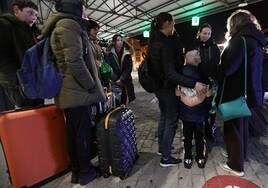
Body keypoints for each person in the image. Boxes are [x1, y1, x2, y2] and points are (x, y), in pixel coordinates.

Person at [189, 9, 266, 177]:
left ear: (235, 24)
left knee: (233, 129)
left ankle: (235, 165)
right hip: (250, 92)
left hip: (236, 93)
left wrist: (202, 64)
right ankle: (239, 155)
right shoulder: (256, 41)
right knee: (242, 126)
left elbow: (225, 70)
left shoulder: (240, 41)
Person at [42, 0, 106, 185]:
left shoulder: (64, 24)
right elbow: (75, 61)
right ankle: (85, 171)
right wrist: (91, 85)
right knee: (82, 132)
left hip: (70, 90)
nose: (86, 10)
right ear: (74, 6)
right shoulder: (68, 24)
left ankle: (78, 170)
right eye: (83, 6)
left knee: (74, 132)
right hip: (76, 91)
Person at [147, 12, 206, 167]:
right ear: (167, 23)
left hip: (159, 88)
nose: (175, 26)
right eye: (173, 23)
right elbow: (171, 73)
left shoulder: (156, 40)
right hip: (167, 89)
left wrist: (174, 36)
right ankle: (166, 157)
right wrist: (194, 84)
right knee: (171, 121)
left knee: (164, 117)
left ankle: (162, 149)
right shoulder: (164, 45)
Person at [0, 0, 43, 108]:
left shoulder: (32, 31)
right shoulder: (5, 25)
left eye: (36, 15)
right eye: (30, 13)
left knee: (38, 111)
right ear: (16, 10)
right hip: (18, 82)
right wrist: (17, 77)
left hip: (34, 80)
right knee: (27, 113)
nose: (34, 17)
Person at [175, 50, 212, 169]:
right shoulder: (203, 74)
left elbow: (177, 93)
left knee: (187, 136)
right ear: (194, 59)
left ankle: (188, 158)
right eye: (198, 54)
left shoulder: (180, 75)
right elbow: (208, 95)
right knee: (200, 136)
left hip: (185, 112)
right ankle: (200, 158)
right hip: (199, 113)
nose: (200, 55)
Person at [195, 23, 221, 142]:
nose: (207, 35)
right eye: (204, 33)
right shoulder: (195, 47)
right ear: (199, 33)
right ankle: (202, 128)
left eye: (209, 34)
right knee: (201, 105)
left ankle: (212, 127)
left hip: (212, 81)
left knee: (212, 106)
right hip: (199, 81)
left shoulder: (215, 48)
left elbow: (216, 63)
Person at [105, 34, 136, 105]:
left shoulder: (127, 53)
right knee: (116, 101)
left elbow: (129, 67)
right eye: (118, 40)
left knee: (125, 100)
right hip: (115, 82)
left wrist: (122, 79)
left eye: (121, 40)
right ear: (114, 42)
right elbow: (108, 67)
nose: (120, 42)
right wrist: (117, 80)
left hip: (125, 81)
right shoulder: (109, 54)